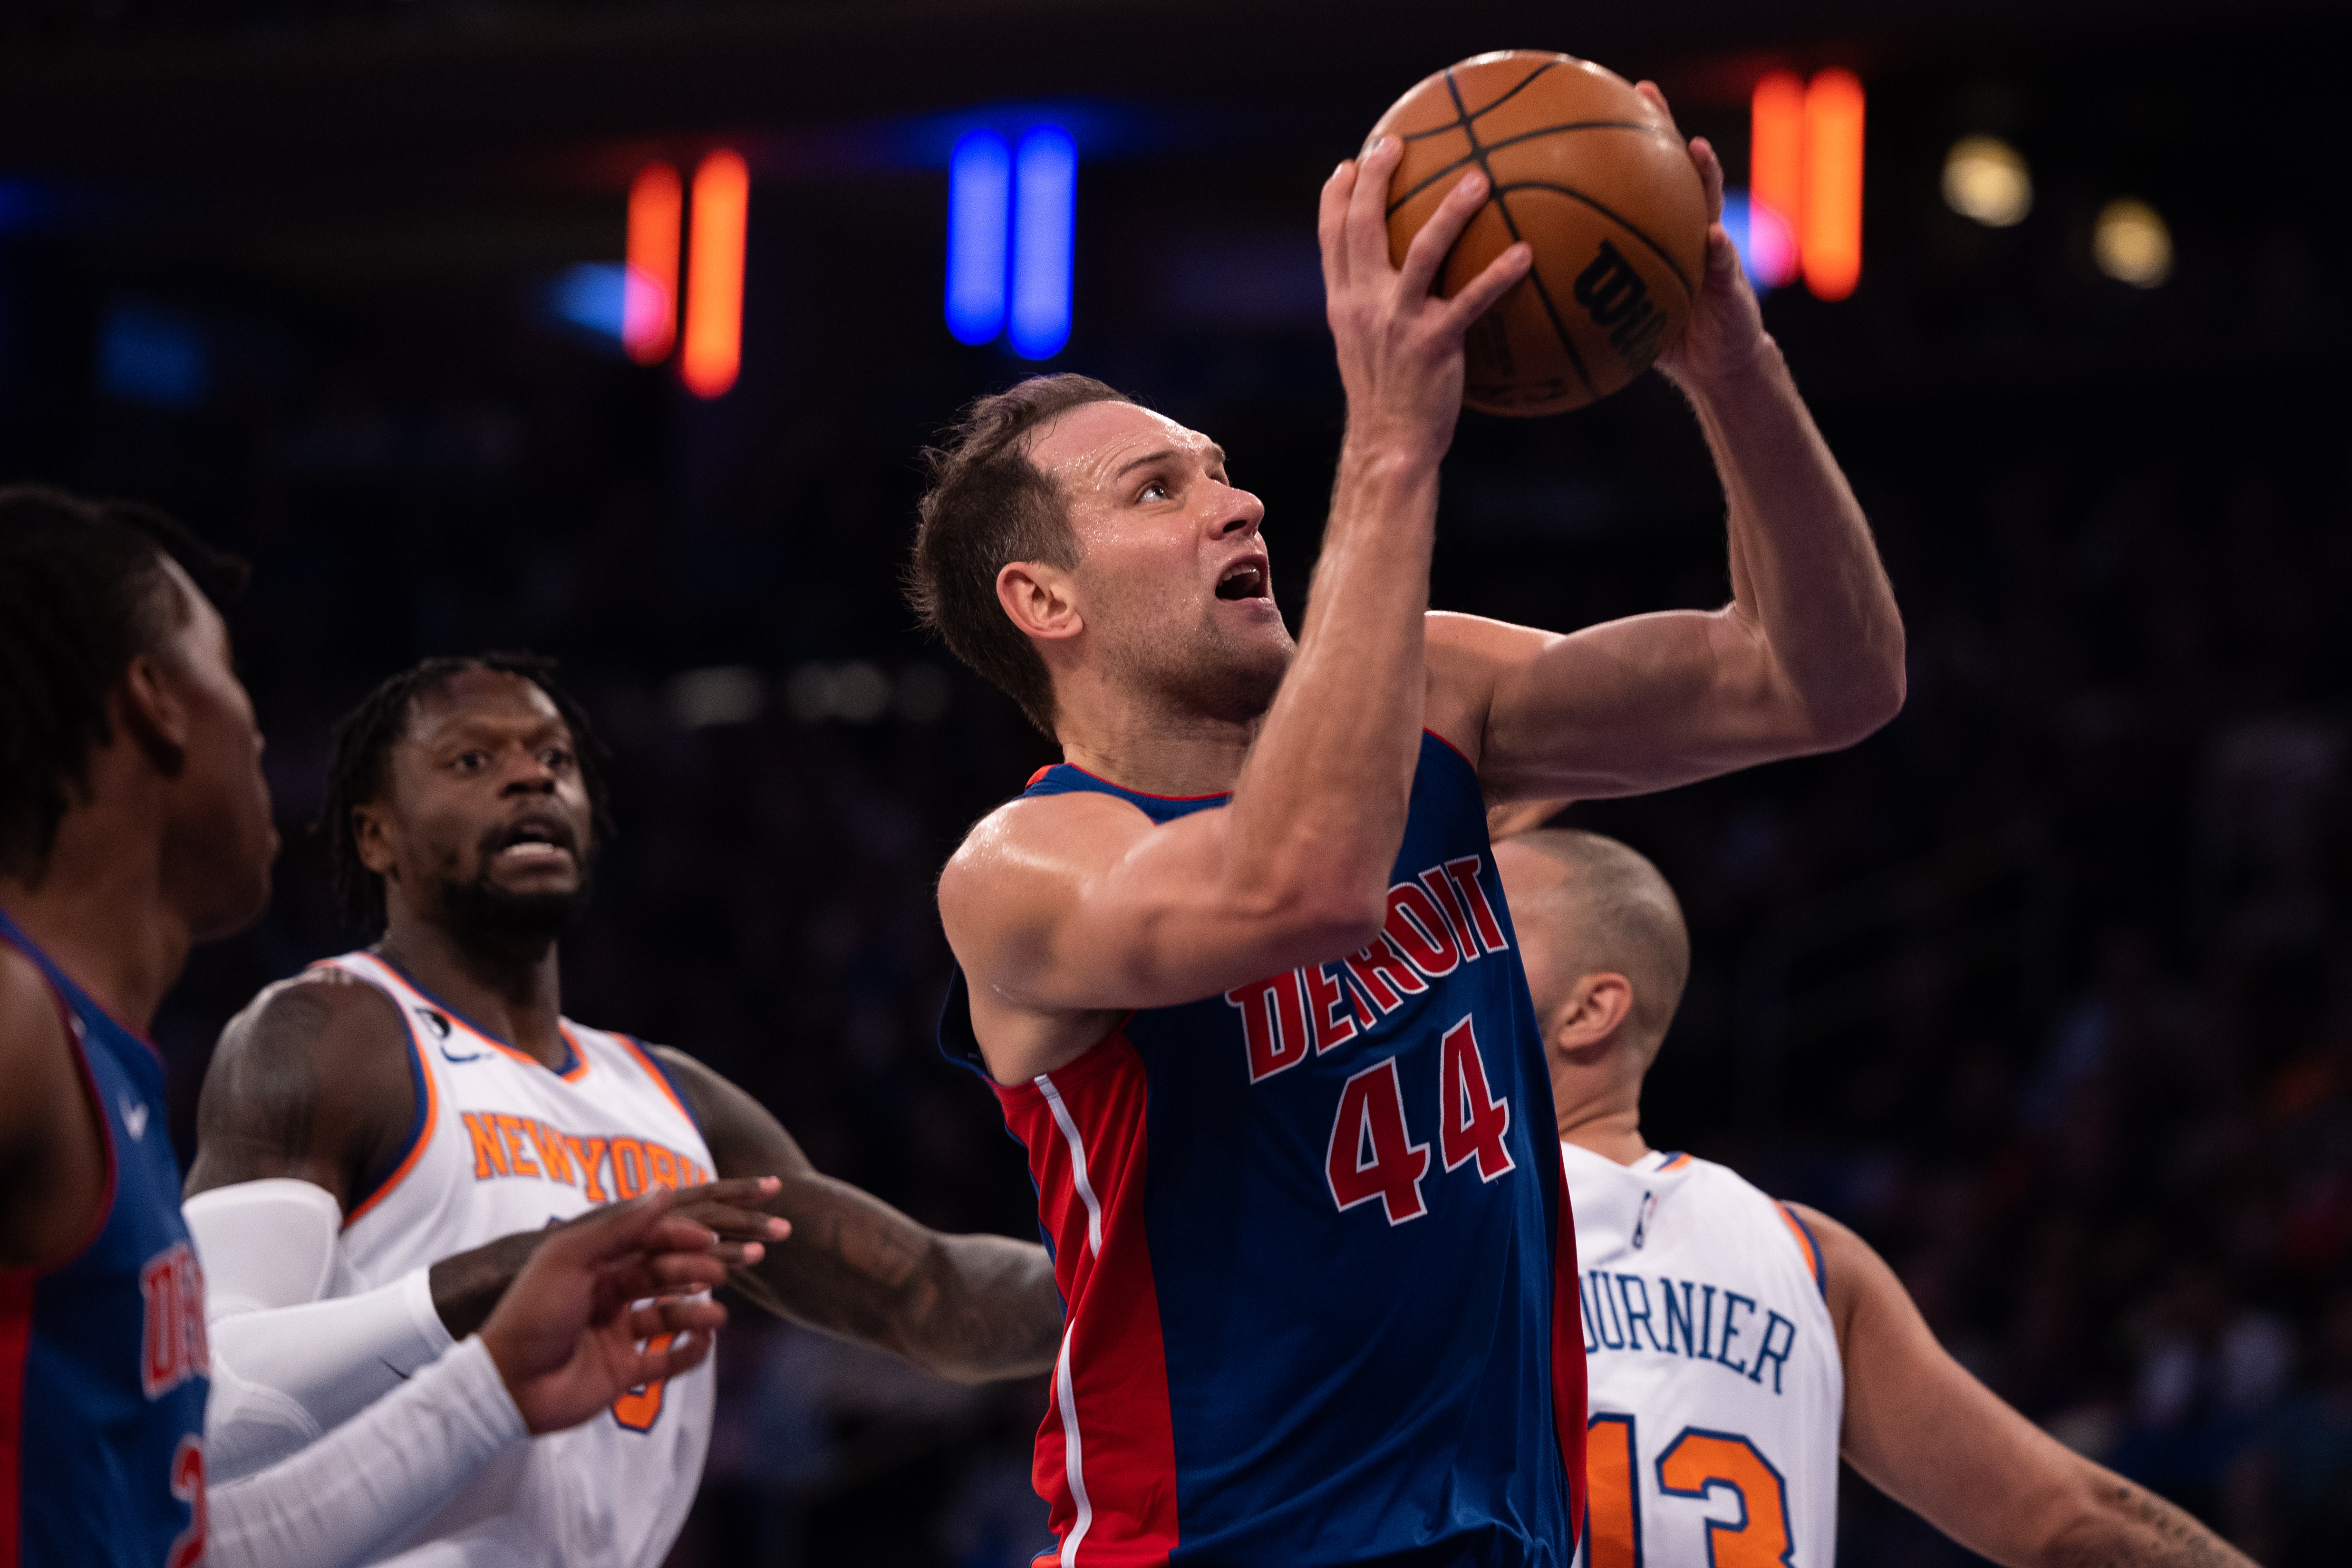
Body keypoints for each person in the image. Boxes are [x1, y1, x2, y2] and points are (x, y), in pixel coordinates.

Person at [906, 87, 1907, 1566]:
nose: (1236, 503)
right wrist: (1387, 445)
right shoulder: (1028, 868)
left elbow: (1822, 683)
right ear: (1043, 602)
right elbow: (1302, 882)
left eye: (1224, 467)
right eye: (1158, 489)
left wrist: (1729, 369)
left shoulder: (1429, 694)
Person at [183, 651, 1065, 1568]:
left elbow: (933, 1296)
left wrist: (1154, 1267)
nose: (531, 774)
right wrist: (517, 1269)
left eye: (555, 758)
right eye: (472, 761)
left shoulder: (676, 1102)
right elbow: (210, 1390)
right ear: (377, 836)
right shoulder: (330, 1035)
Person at [0, 485, 746, 1568]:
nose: (258, 724)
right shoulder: (20, 1017)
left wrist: (487, 1392)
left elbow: (192, 1533)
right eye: (227, 671)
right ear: (156, 701)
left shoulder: (105, 1071)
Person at [1491, 826, 2259, 1568]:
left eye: (1478, 928)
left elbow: (2070, 1519)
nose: (1424, 967)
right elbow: (2078, 1519)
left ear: (1592, 1008)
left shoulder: (1446, 1217)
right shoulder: (1812, 1261)